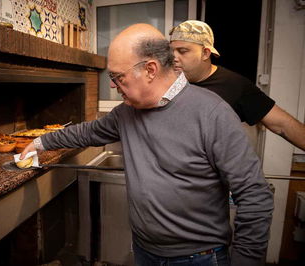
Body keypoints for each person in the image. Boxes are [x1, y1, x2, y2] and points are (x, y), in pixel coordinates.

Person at [21, 23, 273, 266]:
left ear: (151, 69)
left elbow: (255, 196)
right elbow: (88, 132)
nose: (112, 84)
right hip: (145, 250)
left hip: (200, 257)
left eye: (118, 76)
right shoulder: (125, 113)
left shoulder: (212, 113)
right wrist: (41, 142)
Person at [169, 20, 305, 150]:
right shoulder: (167, 82)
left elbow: (282, 125)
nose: (174, 57)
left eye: (182, 51)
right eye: (171, 51)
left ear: (205, 53)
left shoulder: (235, 85)